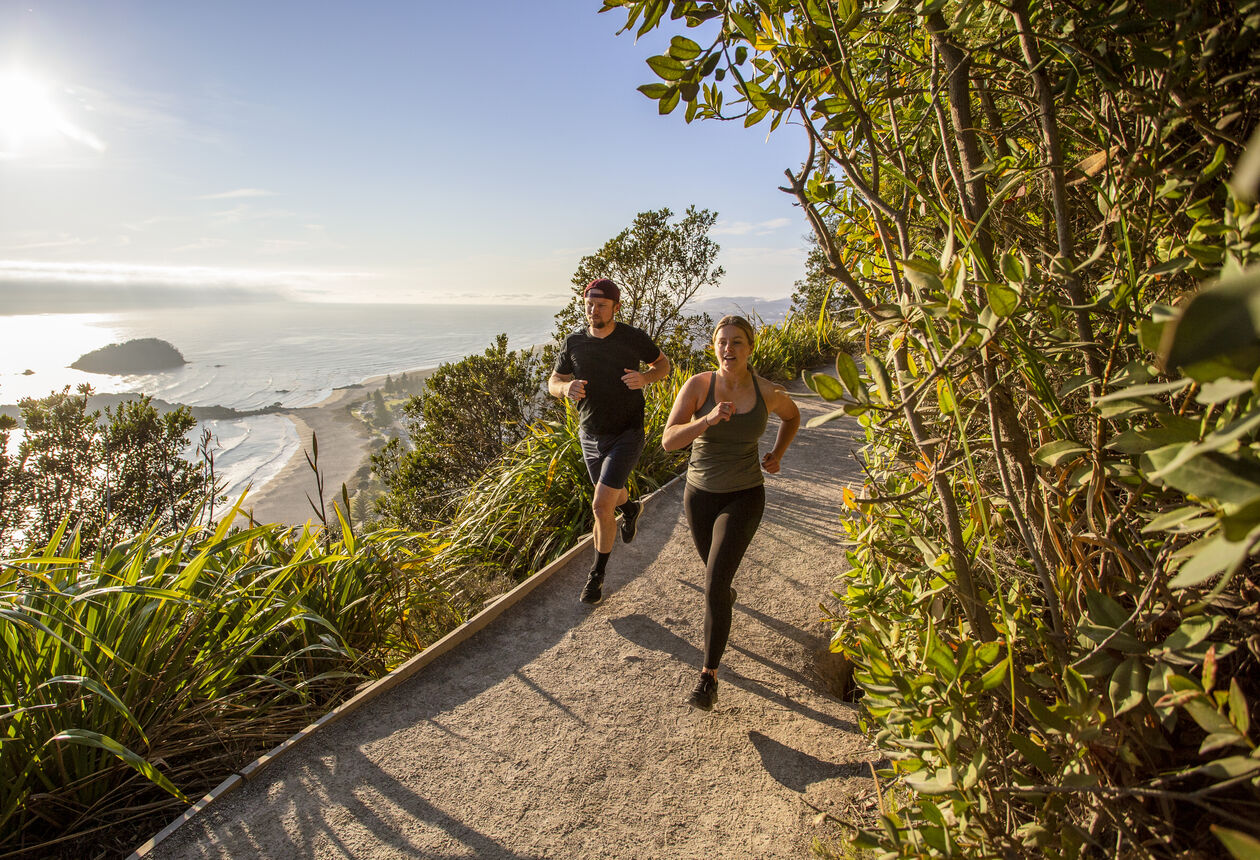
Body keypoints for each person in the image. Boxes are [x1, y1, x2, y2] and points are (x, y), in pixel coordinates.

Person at [662, 315, 800, 711]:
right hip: (699, 496)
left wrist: (777, 453)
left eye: (737, 342)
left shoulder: (767, 391)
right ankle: (724, 594)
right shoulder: (699, 386)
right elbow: (669, 441)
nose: (729, 349)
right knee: (717, 583)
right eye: (722, 342)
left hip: (744, 496)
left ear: (750, 348)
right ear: (714, 348)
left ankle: (708, 677)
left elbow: (792, 417)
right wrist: (706, 419)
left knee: (714, 583)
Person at [549, 278, 672, 605]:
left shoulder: (632, 338)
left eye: (601, 305)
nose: (593, 310)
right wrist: (565, 389)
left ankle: (596, 577)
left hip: (627, 433)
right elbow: (554, 380)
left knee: (601, 504)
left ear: (616, 307)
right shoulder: (574, 342)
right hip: (589, 435)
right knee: (613, 495)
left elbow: (663, 365)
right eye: (589, 304)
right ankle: (631, 509)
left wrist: (645, 377)